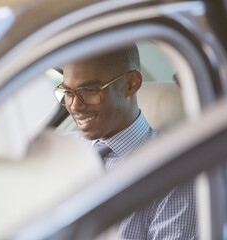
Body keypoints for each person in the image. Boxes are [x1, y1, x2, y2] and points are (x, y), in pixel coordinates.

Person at [55, 45, 197, 239]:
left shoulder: (173, 171)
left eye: (89, 90)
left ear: (132, 83)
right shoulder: (59, 150)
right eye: (68, 92)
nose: (75, 106)